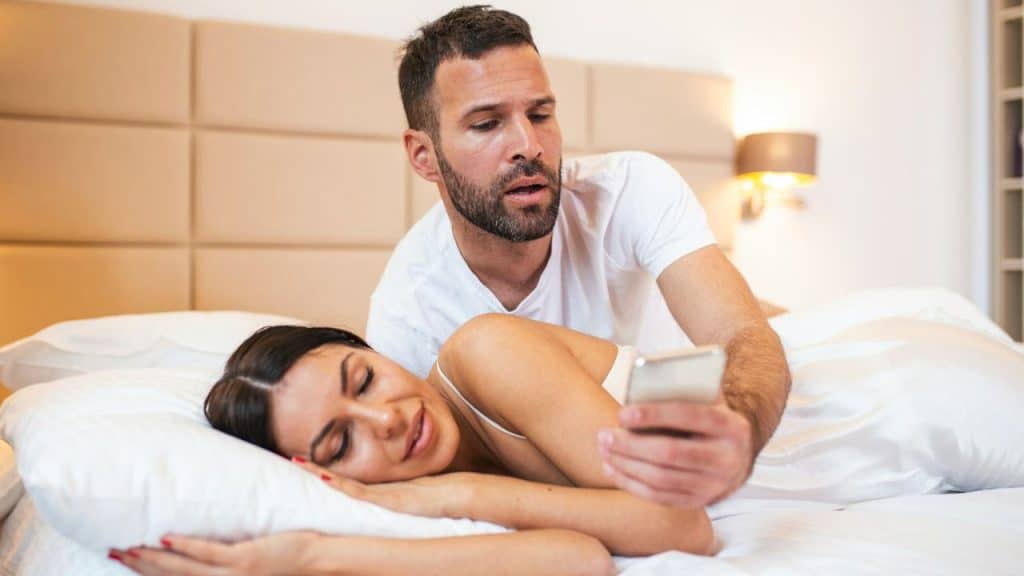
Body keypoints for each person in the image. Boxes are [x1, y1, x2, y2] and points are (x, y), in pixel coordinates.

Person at [366, 5, 790, 507]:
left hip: (707, 377)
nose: (529, 145)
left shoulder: (628, 190)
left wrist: (739, 425)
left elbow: (740, 335)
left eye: (541, 114)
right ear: (424, 155)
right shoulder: (408, 313)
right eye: (486, 124)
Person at [114, 315, 714, 575]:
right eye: (341, 441)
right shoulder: (393, 500)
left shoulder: (488, 351)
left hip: (770, 411)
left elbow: (683, 525)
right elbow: (578, 559)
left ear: (373, 350)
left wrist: (457, 491)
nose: (386, 420)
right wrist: (312, 558)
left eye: (366, 379)